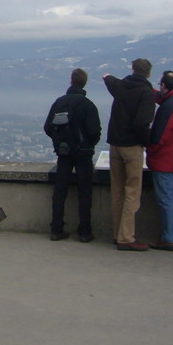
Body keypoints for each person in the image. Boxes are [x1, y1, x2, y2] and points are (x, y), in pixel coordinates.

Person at [103, 58, 156, 251]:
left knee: (117, 190)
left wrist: (106, 76)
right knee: (132, 191)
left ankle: (117, 233)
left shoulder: (120, 87)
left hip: (115, 144)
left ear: (133, 70)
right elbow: (142, 123)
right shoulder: (146, 93)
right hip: (132, 146)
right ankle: (126, 237)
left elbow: (110, 81)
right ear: (148, 73)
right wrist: (147, 142)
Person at [43, 68, 102, 242]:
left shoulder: (60, 102)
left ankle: (56, 228)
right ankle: (84, 231)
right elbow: (94, 131)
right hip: (83, 154)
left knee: (60, 190)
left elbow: (48, 127)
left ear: (71, 81)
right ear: (84, 83)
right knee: (85, 192)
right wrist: (88, 144)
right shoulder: (88, 105)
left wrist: (60, 141)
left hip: (64, 153)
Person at [146, 71, 173, 251]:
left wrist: (150, 149)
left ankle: (168, 237)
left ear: (164, 86)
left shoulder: (167, 108)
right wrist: (150, 90)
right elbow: (163, 98)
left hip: (164, 160)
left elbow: (160, 136)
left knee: (166, 201)